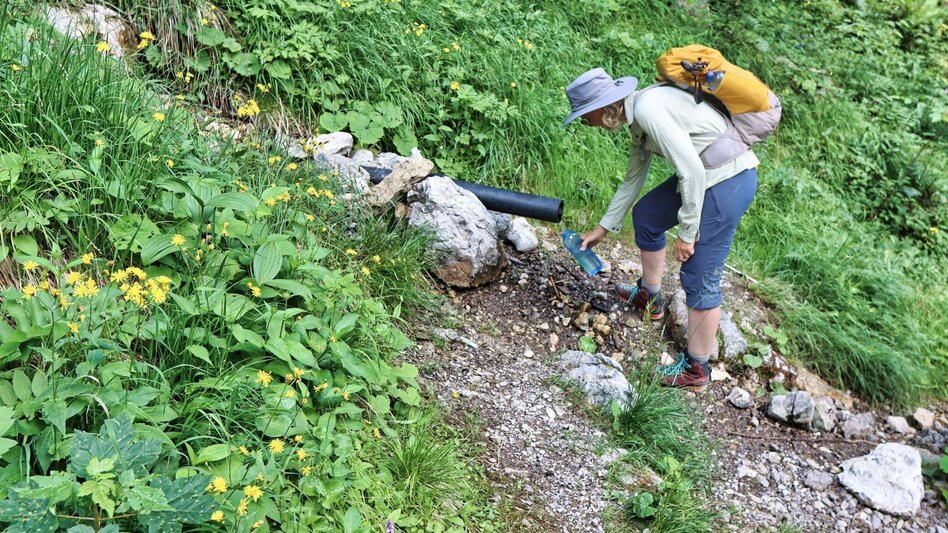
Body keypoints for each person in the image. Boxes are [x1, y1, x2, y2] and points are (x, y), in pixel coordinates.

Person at [562, 67, 759, 392]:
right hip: (707, 175)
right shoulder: (637, 118)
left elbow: (692, 172)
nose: (585, 121)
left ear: (601, 106)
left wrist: (687, 231)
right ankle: (649, 297)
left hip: (728, 179)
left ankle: (697, 370)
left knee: (698, 273)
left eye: (585, 115)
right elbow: (632, 180)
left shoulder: (647, 110)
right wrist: (603, 228)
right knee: (649, 215)